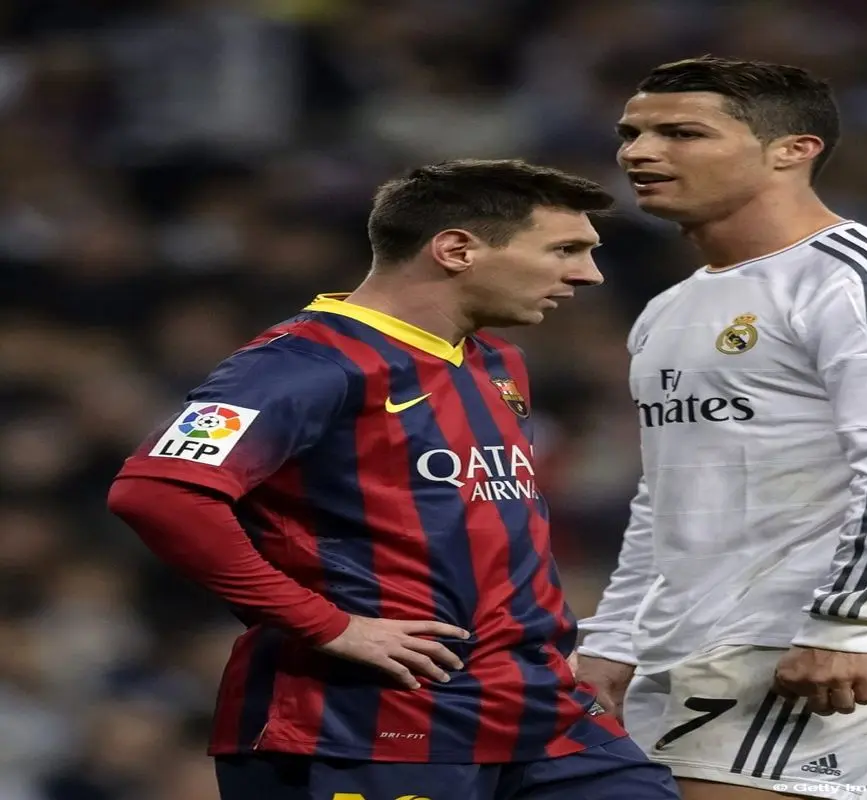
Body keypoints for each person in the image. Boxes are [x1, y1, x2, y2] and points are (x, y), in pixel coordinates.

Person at [108, 159, 681, 800]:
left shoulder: (497, 362)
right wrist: (328, 625)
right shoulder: (299, 365)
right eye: (564, 250)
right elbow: (159, 492)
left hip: (538, 710)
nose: (588, 274)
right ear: (456, 249)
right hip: (367, 722)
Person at [574, 56, 867, 800]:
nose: (640, 153)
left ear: (793, 150)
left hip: (818, 627)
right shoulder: (671, 308)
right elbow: (669, 492)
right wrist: (616, 638)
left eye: (682, 133)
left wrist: (846, 624)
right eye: (632, 133)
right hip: (694, 628)